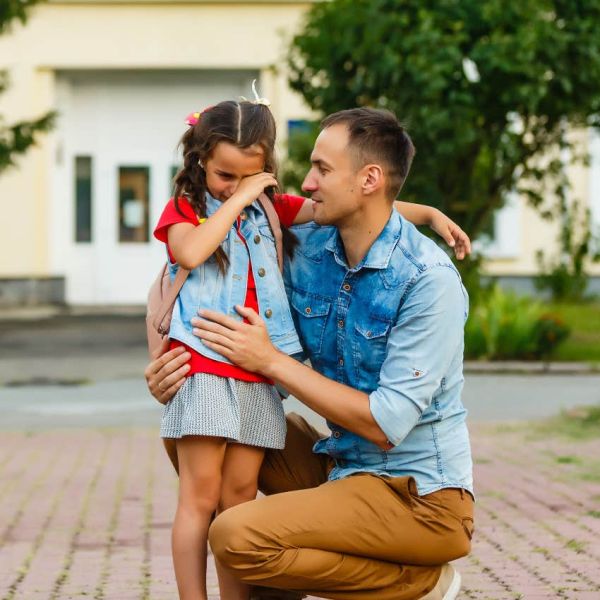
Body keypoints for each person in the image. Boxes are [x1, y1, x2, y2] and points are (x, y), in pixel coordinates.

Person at [149, 104, 472, 600]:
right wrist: (161, 360)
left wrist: (270, 361)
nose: (307, 181)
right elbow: (184, 275)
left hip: (417, 495)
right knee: (197, 432)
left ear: (369, 180)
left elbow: (387, 424)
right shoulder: (310, 247)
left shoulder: (427, 282)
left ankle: (421, 581)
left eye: (322, 168)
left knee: (236, 536)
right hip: (341, 464)